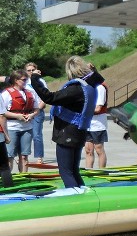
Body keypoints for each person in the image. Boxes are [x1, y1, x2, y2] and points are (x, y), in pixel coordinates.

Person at [30, 57, 104, 188]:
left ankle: (75, 200)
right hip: (79, 131)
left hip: (68, 132)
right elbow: (98, 78)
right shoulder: (90, 86)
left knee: (66, 171)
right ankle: (83, 198)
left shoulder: (76, 89)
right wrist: (93, 70)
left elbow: (49, 97)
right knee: (74, 171)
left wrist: (34, 79)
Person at [1, 69, 37, 173]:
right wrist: (18, 116)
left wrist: (32, 115)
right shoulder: (6, 94)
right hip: (11, 128)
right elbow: (2, 112)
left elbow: (36, 109)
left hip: (27, 128)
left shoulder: (30, 93)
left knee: (24, 157)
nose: (26, 82)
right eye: (24, 79)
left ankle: (24, 179)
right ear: (16, 80)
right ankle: (7, 181)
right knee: (9, 156)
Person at [24, 62, 47, 164]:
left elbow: (45, 98)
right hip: (26, 111)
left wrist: (37, 110)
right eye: (28, 70)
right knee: (25, 134)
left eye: (33, 70)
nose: (31, 72)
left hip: (38, 111)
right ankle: (24, 156)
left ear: (36, 70)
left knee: (36, 134)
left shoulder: (40, 81)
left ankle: (39, 157)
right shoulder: (23, 82)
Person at [84, 82, 109, 169]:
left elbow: (98, 108)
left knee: (99, 149)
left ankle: (102, 172)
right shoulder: (86, 86)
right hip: (87, 123)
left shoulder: (100, 87)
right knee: (88, 150)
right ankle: (88, 172)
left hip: (98, 123)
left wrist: (83, 111)